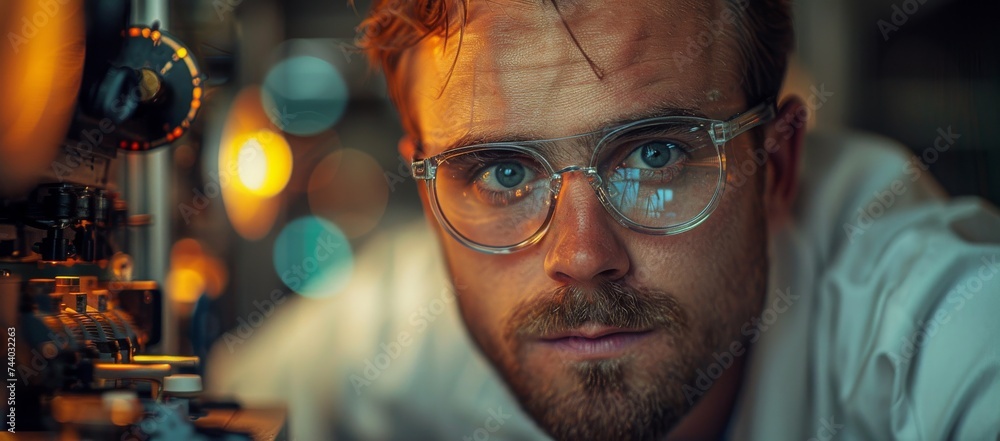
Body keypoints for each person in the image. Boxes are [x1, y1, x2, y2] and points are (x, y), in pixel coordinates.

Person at [208, 0, 1000, 439]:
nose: (581, 255)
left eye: (655, 156)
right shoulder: (391, 334)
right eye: (503, 172)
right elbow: (222, 401)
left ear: (778, 165)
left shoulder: (919, 318)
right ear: (429, 197)